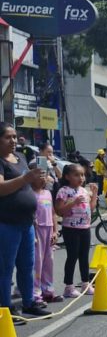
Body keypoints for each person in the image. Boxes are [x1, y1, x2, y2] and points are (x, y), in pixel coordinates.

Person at [0, 123, 49, 317]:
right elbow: (2, 188)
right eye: (8, 137)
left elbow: (26, 187)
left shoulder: (19, 157)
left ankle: (29, 303)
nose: (13, 141)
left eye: (14, 137)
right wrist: (26, 178)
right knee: (5, 267)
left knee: (27, 265)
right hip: (7, 223)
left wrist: (37, 179)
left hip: (26, 222)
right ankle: (5, 308)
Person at [55, 163, 98, 297]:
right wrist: (73, 202)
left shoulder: (84, 190)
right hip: (70, 228)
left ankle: (86, 283)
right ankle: (69, 286)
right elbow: (59, 210)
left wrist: (95, 194)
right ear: (67, 176)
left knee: (84, 256)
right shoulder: (64, 191)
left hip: (85, 227)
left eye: (82, 175)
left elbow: (91, 208)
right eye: (77, 175)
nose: (81, 178)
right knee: (72, 256)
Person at [33, 175, 61, 304]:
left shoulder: (48, 193)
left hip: (49, 229)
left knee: (48, 262)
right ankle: (35, 294)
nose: (44, 179)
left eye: (45, 176)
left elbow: (53, 212)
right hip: (37, 230)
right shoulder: (30, 194)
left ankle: (48, 291)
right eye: (40, 176)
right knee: (37, 263)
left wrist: (55, 231)